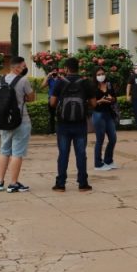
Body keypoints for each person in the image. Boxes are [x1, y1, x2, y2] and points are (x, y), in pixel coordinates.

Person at [51, 57, 94, 191]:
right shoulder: (86, 82)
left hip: (63, 124)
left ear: (66, 69)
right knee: (81, 153)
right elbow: (93, 103)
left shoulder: (60, 82)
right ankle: (82, 183)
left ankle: (61, 184)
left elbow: (52, 103)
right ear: (78, 68)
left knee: (63, 153)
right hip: (80, 123)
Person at [0, 56, 35, 193]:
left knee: (4, 150)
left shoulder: (1, 80)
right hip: (21, 120)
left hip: (5, 120)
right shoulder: (23, 80)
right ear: (16, 67)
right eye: (23, 66)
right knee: (17, 153)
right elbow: (31, 98)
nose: (25, 68)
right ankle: (13, 183)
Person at [91, 67, 118, 171]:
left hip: (108, 114)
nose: (101, 76)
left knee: (113, 138)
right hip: (98, 114)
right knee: (100, 140)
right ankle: (98, 163)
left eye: (102, 73)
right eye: (98, 74)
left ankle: (108, 160)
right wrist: (100, 101)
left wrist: (111, 99)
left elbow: (114, 98)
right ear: (95, 76)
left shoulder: (109, 84)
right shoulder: (93, 87)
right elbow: (91, 103)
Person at [46, 69, 60, 135]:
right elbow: (42, 86)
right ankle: (52, 131)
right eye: (53, 71)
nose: (54, 73)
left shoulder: (60, 79)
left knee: (59, 115)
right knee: (51, 115)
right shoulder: (50, 79)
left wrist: (60, 76)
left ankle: (59, 130)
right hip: (51, 98)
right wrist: (47, 76)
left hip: (59, 99)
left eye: (55, 71)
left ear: (57, 72)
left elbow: (67, 83)